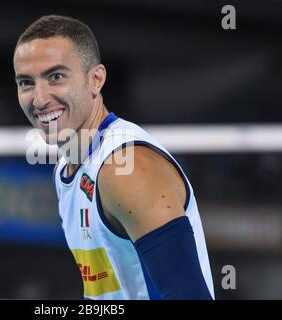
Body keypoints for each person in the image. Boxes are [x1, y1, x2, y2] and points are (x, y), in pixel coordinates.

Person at [13, 15, 214, 300]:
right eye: (26, 83)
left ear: (95, 80)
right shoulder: (66, 169)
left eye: (55, 77)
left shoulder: (127, 170)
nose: (40, 98)